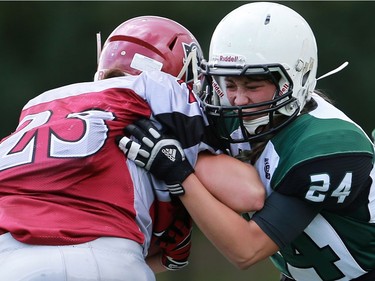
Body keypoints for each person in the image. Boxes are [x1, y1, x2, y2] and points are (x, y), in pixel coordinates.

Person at [120, 3, 375, 281]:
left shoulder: (326, 145)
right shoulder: (228, 118)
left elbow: (248, 250)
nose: (239, 100)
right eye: (229, 85)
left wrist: (177, 173)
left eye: (253, 86)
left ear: (296, 79)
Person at [0, 15, 265, 281]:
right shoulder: (155, 94)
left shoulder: (38, 109)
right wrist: (180, 173)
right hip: (103, 257)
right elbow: (248, 194)